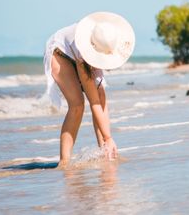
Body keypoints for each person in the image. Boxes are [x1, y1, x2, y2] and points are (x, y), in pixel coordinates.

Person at [43, 11, 135, 167]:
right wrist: (109, 137)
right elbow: (94, 103)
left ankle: (106, 153)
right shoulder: (84, 51)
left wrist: (108, 139)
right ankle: (64, 162)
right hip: (60, 54)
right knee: (77, 105)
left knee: (102, 95)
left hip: (81, 53)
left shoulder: (105, 37)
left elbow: (99, 100)